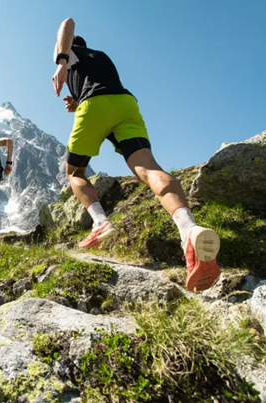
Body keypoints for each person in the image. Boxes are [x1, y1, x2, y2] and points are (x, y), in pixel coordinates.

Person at [51, 18, 220, 292]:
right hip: (125, 104)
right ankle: (189, 230)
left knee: (74, 173)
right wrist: (77, 100)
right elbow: (97, 85)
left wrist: (60, 61)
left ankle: (100, 223)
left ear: (70, 47)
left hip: (95, 107)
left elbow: (66, 23)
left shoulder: (68, 52)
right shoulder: (100, 56)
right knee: (149, 168)